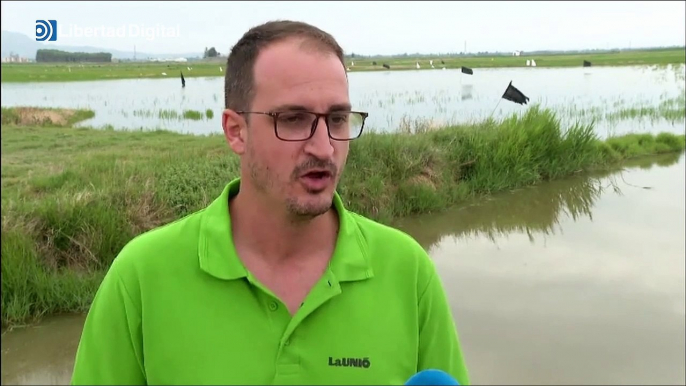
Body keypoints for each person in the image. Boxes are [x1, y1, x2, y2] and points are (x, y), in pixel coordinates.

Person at [71, 20, 470, 385]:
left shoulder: (407, 272)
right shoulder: (141, 277)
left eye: (337, 119)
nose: (324, 147)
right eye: (293, 119)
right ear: (235, 131)